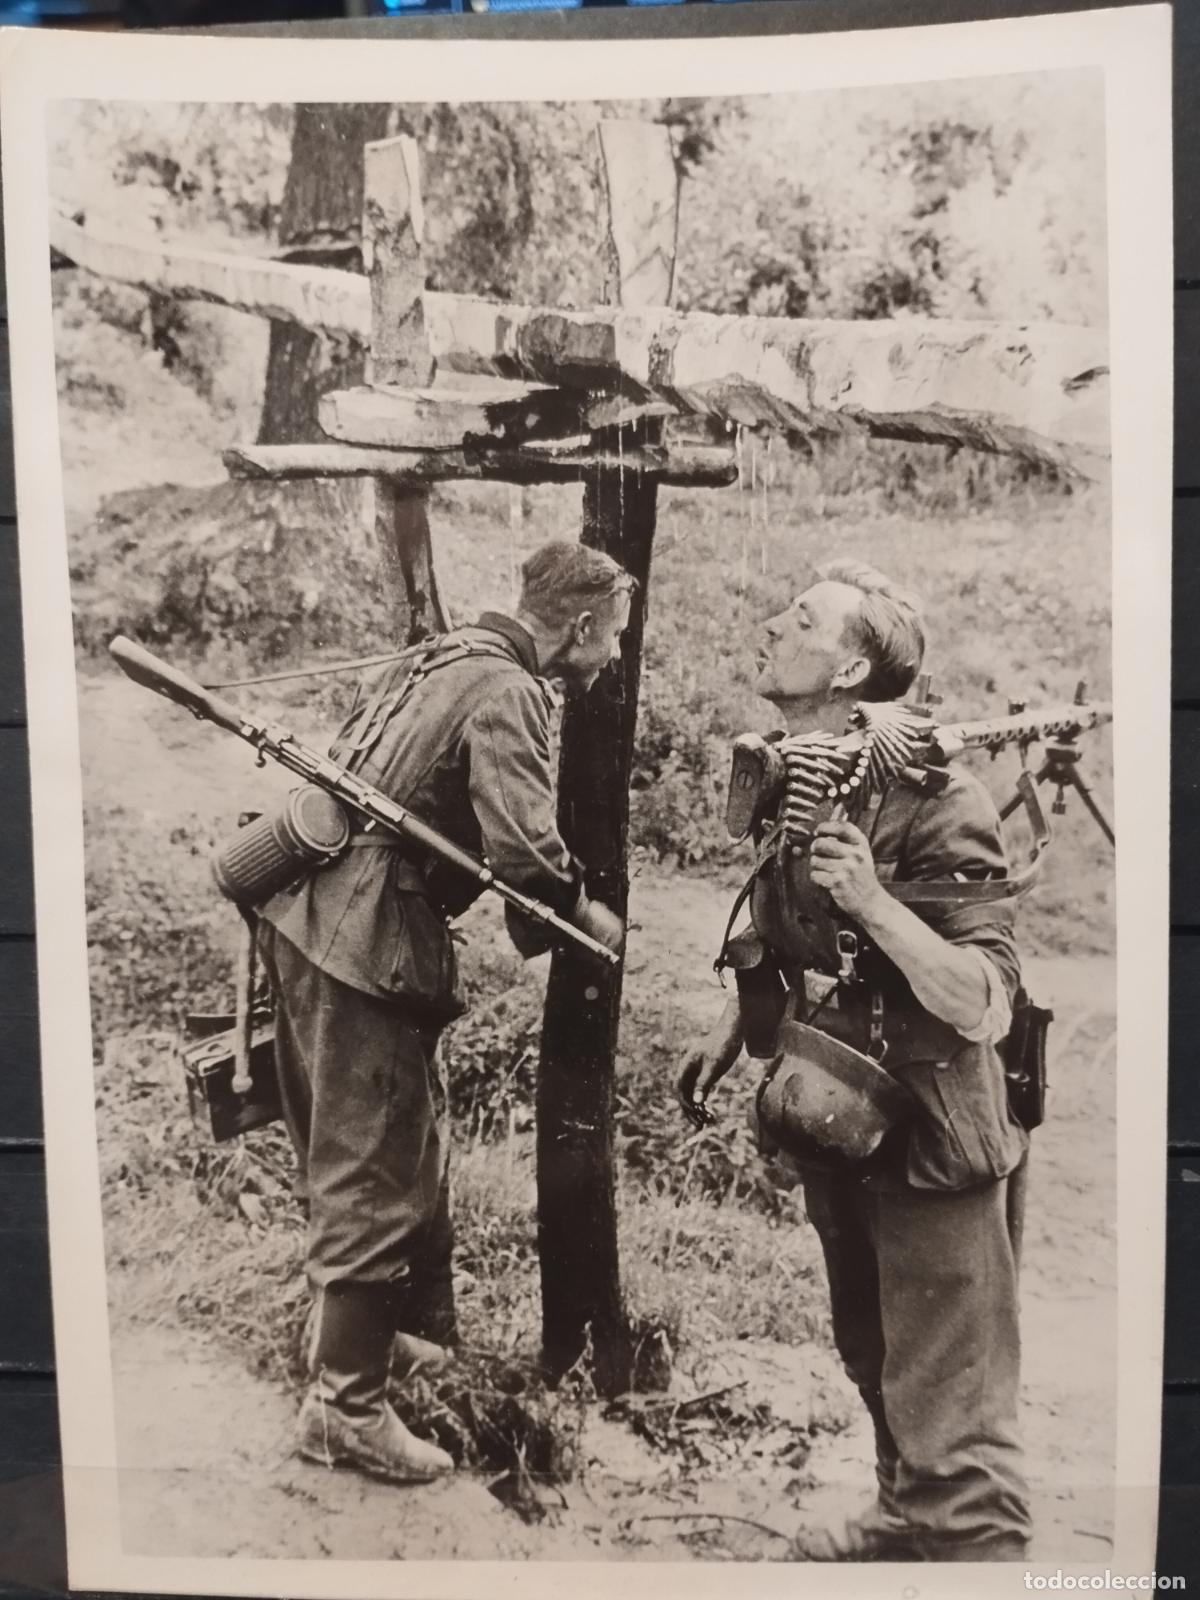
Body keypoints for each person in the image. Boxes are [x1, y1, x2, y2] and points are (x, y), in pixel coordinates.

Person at [678, 559, 1032, 1563]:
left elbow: (982, 1001)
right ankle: (900, 1512)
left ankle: (970, 1551)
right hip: (839, 1111)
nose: (769, 625)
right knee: (871, 1349)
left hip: (931, 1131)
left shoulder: (938, 800)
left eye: (798, 620)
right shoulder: (797, 774)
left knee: (954, 1407)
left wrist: (875, 901)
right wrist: (736, 1023)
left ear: (851, 668)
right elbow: (780, 930)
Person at [256, 540, 630, 1486]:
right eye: (613, 637)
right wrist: (586, 912)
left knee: (386, 1150)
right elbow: (524, 853)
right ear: (580, 626)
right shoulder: (512, 693)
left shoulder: (445, 652)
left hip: (307, 912)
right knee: (373, 1169)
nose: (614, 658)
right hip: (367, 940)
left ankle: (362, 1344)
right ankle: (341, 1411)